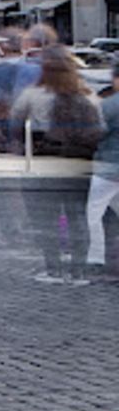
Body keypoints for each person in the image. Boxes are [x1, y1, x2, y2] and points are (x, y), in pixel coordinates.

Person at [10, 47, 103, 159]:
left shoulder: (31, 94)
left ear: (44, 72)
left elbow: (15, 122)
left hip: (42, 155)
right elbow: (100, 125)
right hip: (82, 155)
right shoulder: (89, 96)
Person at [87, 71, 119, 281]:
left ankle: (95, 256)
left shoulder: (108, 105)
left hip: (110, 164)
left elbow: (96, 132)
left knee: (94, 212)